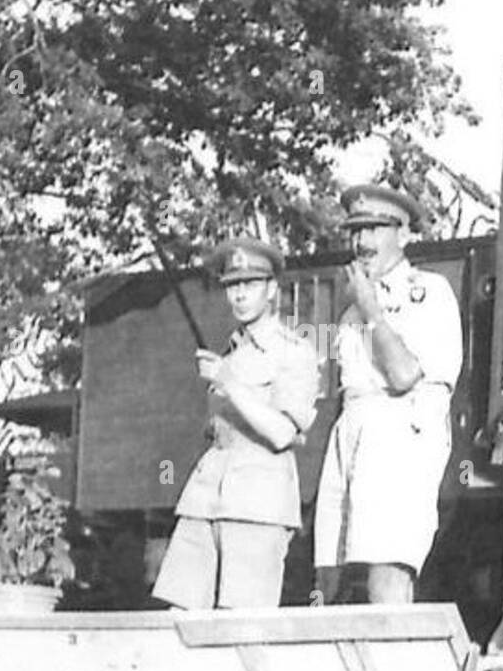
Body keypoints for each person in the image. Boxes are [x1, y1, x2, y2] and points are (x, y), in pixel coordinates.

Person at [314, 184, 463, 604]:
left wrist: (372, 311)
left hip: (400, 429)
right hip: (352, 428)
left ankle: (395, 663)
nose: (363, 242)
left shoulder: (428, 292)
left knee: (387, 563)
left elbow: (402, 374)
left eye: (376, 229)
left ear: (404, 234)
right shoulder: (351, 309)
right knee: (330, 571)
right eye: (356, 231)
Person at [153, 236, 319, 609]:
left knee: (240, 624)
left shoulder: (294, 351)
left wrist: (229, 381)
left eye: (250, 284)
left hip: (257, 504)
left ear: (272, 289)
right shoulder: (232, 350)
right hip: (205, 496)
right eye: (232, 285)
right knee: (181, 616)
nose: (239, 295)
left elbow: (281, 433)